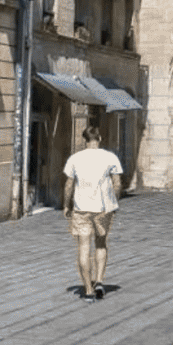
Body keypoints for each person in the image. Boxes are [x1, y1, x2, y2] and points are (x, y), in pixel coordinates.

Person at [62, 124, 123, 301]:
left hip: (81, 208)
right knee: (101, 244)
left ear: (85, 140)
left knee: (83, 247)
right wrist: (114, 202)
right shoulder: (110, 157)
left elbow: (68, 185)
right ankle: (100, 281)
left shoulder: (75, 158)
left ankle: (88, 290)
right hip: (103, 208)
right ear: (99, 138)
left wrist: (66, 205)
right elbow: (117, 183)